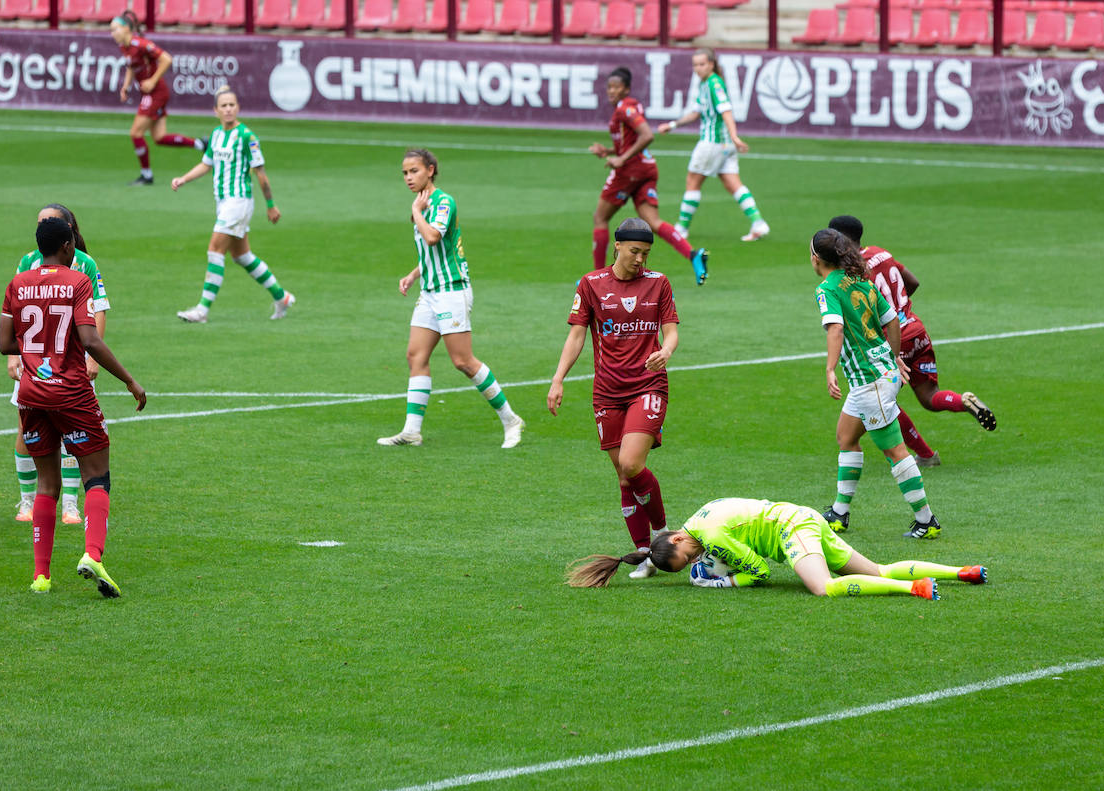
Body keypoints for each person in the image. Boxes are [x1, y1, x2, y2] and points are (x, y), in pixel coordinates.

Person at [0, 217, 147, 596]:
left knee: (46, 483)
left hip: (32, 395)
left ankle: (41, 577)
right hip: (72, 393)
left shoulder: (17, 283)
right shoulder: (77, 281)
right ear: (67, 246)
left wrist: (39, 351)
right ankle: (93, 554)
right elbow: (90, 340)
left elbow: (5, 344)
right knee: (97, 475)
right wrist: (129, 380)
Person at [549, 218, 679, 579]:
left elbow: (670, 332)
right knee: (624, 476)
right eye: (635, 251)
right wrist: (558, 380)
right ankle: (645, 554)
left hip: (648, 385)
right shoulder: (591, 284)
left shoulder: (658, 283)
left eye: (646, 253)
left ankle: (661, 535)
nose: (641, 259)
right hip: (607, 391)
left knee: (632, 463)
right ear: (617, 246)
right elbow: (576, 337)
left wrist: (665, 351)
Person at [377, 148, 524, 448]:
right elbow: (432, 252)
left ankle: (510, 419)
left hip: (452, 291)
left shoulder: (442, 202)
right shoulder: (421, 203)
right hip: (430, 292)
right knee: (415, 356)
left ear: (430, 170)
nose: (408, 177)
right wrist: (413, 274)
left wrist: (416, 213)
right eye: (405, 173)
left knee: (462, 361)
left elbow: (433, 237)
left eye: (414, 171)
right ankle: (412, 431)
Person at [567, 497, 987, 598]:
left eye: (690, 555)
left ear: (677, 539)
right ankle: (960, 572)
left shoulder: (709, 537)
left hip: (793, 529)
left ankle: (912, 589)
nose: (697, 558)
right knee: (874, 569)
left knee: (823, 588)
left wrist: (726, 583)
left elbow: (762, 572)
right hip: (798, 517)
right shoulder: (700, 518)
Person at [829, 215, 996, 467]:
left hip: (893, 339)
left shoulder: (852, 271)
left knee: (883, 401)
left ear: (840, 241)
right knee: (930, 396)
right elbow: (913, 282)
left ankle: (926, 456)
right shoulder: (881, 253)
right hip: (916, 329)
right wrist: (899, 307)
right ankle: (962, 401)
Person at [810, 228, 942, 539]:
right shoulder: (861, 279)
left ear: (817, 259)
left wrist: (830, 369)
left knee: (895, 451)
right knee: (846, 437)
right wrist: (894, 356)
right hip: (876, 377)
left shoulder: (826, 290)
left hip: (871, 382)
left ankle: (927, 520)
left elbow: (835, 331)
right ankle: (840, 513)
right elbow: (892, 319)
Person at [10, 204, 110, 526]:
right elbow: (14, 312)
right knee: (26, 432)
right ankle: (26, 500)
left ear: (67, 228)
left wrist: (91, 357)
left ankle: (69, 504)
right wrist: (15, 356)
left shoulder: (84, 263)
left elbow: (98, 311)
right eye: (39, 222)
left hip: (72, 364)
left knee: (74, 435)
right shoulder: (27, 261)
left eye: (49, 222)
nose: (42, 227)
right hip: (35, 362)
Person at [171, 85, 294, 324]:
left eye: (232, 105)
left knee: (215, 249)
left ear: (237, 108)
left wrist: (270, 204)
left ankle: (202, 310)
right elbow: (206, 164)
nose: (228, 109)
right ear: (216, 110)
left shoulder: (247, 136)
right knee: (242, 256)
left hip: (239, 201)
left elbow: (261, 173)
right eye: (223, 106)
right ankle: (282, 297)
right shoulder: (216, 135)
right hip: (223, 202)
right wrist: (183, 179)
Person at [590, 66, 709, 285]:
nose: (611, 91)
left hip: (630, 172)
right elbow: (632, 141)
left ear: (626, 89)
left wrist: (621, 160)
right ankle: (693, 254)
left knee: (600, 218)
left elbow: (647, 135)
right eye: (609, 87)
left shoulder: (625, 109)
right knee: (653, 221)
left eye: (617, 87)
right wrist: (609, 152)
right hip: (646, 168)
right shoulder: (629, 107)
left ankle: (597, 279)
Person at [657, 48, 770, 243]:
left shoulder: (714, 84)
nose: (698, 68)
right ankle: (758, 223)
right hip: (725, 146)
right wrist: (673, 125)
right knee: (732, 183)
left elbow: (726, 111)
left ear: (711, 64)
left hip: (713, 142)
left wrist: (735, 136)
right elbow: (696, 112)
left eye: (702, 64)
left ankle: (681, 229)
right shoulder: (705, 84)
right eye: (695, 65)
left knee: (693, 181)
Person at [110, 10, 204, 186]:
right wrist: (126, 86)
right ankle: (200, 144)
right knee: (159, 137)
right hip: (149, 93)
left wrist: (152, 81)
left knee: (135, 133)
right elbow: (131, 66)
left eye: (115, 29)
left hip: (156, 93)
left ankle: (146, 175)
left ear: (126, 29)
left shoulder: (141, 44)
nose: (112, 34)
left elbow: (167, 59)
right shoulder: (125, 47)